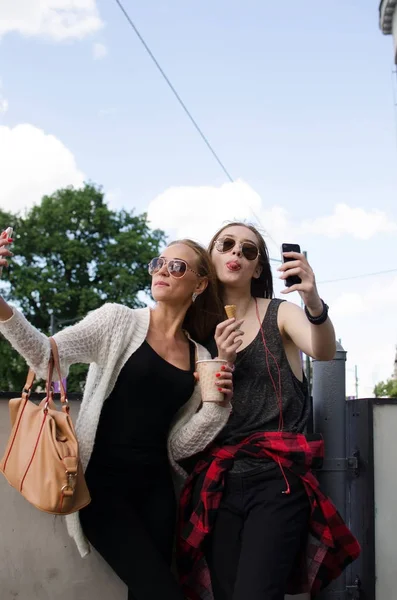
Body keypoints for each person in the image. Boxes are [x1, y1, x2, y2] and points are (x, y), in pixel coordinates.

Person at [0, 229, 234, 600]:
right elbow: (47, 357)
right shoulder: (117, 322)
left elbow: (181, 443)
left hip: (157, 492)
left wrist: (216, 403)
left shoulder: (200, 357)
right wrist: (1, 305)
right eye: (159, 263)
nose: (163, 271)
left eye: (177, 266)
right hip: (102, 489)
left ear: (200, 284)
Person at [172, 222, 360, 600]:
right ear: (212, 257)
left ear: (258, 268)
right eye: (226, 245)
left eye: (249, 250)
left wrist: (313, 302)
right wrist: (222, 361)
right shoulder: (192, 327)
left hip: (277, 480)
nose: (236, 253)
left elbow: (322, 351)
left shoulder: (280, 314)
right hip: (217, 479)